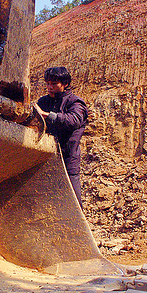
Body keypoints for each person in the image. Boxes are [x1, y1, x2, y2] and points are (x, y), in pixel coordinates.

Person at [35, 67, 88, 207]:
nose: (49, 87)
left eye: (54, 84)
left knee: (73, 201)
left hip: (68, 158)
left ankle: (78, 228)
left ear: (64, 84)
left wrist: (47, 115)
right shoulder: (43, 102)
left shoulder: (75, 103)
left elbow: (74, 120)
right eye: (47, 83)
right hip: (46, 158)